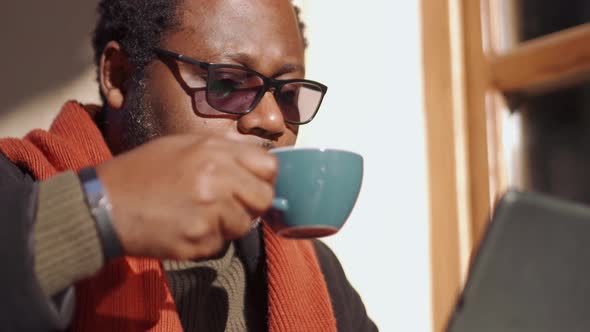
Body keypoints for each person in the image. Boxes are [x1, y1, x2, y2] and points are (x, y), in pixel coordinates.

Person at [0, 0, 377, 331]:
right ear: (120, 75)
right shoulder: (17, 191)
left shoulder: (313, 276)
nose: (274, 120)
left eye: (288, 93)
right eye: (228, 84)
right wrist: (98, 214)